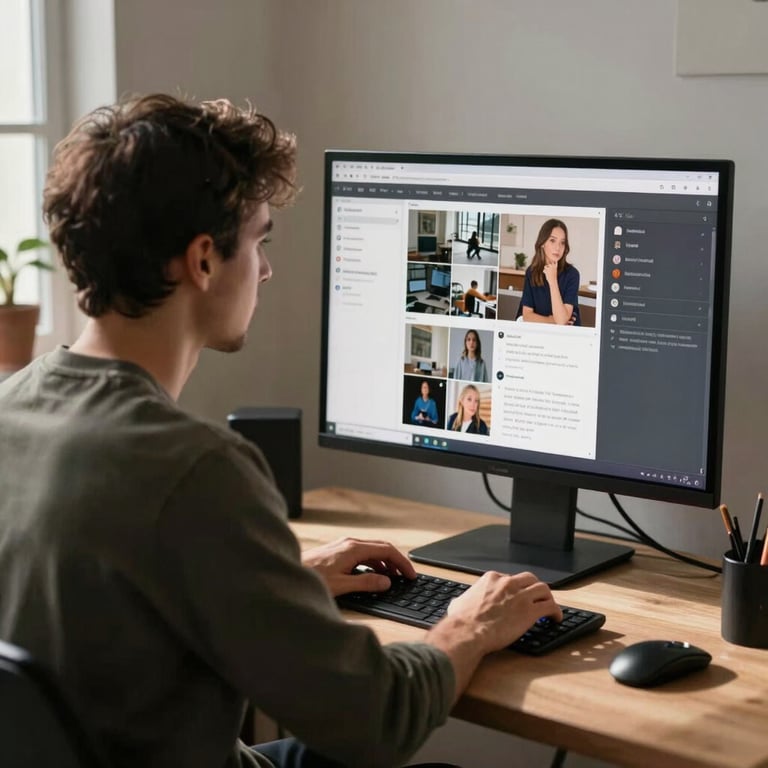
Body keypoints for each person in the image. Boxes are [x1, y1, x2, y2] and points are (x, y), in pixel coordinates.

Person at [0, 93, 561, 768]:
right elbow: (376, 721)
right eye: (260, 240)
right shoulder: (195, 469)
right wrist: (469, 625)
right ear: (204, 259)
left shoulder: (14, 405)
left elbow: (106, 613)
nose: (264, 269)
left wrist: (277, 585)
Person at [519, 218, 580, 325]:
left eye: (562, 243)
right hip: (541, 334)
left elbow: (561, 321)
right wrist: (553, 320)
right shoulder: (531, 272)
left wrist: (552, 280)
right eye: (552, 240)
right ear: (542, 243)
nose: (558, 247)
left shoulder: (572, 274)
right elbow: (527, 316)